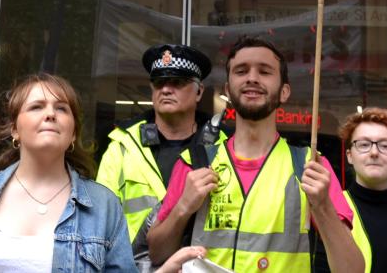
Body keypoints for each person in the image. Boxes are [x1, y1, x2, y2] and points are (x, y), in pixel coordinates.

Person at [147, 36, 364, 273]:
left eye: (264, 71)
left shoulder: (310, 166)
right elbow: (157, 254)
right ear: (228, 90)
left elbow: (352, 270)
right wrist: (183, 208)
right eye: (241, 71)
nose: (252, 78)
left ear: (284, 92)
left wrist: (323, 206)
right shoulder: (195, 162)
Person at [0, 72, 135, 272]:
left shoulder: (104, 205)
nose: (51, 114)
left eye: (62, 109)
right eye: (36, 107)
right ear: (15, 129)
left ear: (73, 133)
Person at [97, 43, 218, 242]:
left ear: (199, 92)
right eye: (159, 82)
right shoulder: (122, 147)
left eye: (178, 82)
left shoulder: (221, 146)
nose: (166, 89)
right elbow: (100, 221)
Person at [325, 107, 387, 273]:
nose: (374, 152)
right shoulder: (331, 212)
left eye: (385, 145)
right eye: (364, 144)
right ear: (350, 156)